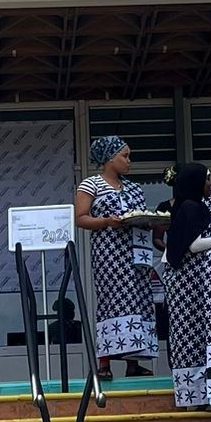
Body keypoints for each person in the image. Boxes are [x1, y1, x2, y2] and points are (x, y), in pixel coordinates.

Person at [74, 135, 158, 379]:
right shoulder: (91, 185)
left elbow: (140, 214)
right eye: (125, 155)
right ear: (110, 159)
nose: (129, 161)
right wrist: (106, 222)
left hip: (135, 253)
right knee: (113, 301)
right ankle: (104, 363)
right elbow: (81, 218)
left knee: (138, 300)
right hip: (109, 253)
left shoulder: (133, 188)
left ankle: (134, 362)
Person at [162, 164, 211, 409]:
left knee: (193, 337)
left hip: (189, 282)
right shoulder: (191, 207)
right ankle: (193, 396)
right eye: (208, 180)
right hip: (186, 283)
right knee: (190, 336)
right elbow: (194, 245)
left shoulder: (189, 206)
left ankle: (197, 395)